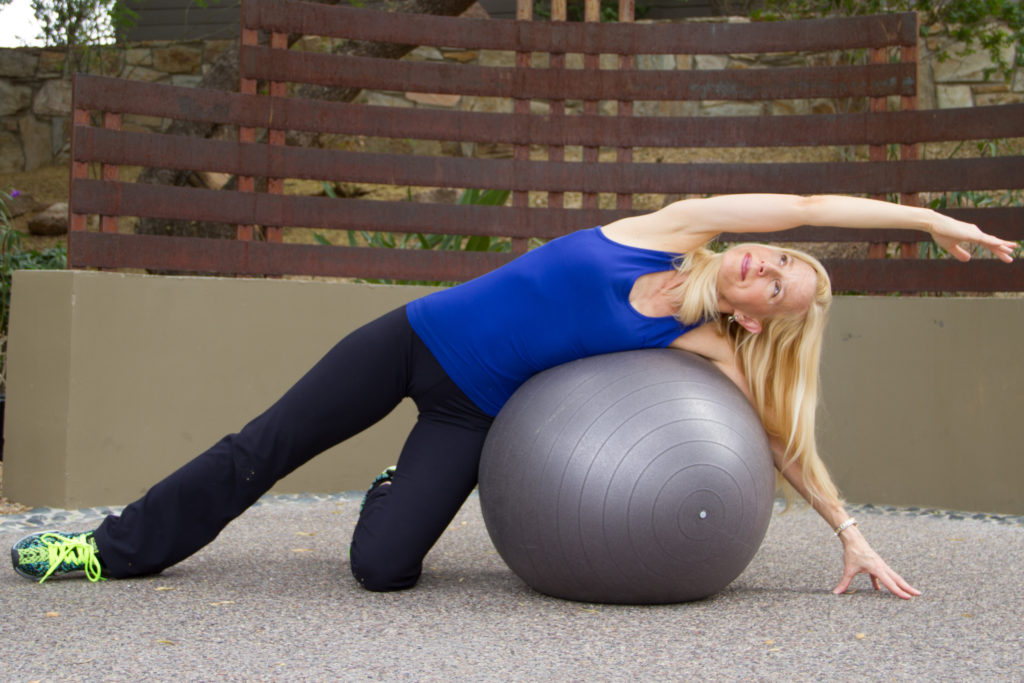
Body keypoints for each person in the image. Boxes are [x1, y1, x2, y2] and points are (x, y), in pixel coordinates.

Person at [10, 193, 1016, 598]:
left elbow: (783, 439)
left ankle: (392, 485)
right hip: (409, 340)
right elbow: (806, 204)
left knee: (382, 569)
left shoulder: (704, 341)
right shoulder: (677, 225)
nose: (765, 262)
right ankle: (107, 547)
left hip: (466, 413)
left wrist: (850, 530)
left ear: (757, 321)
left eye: (776, 285)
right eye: (778, 259)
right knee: (259, 449)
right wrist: (927, 220)